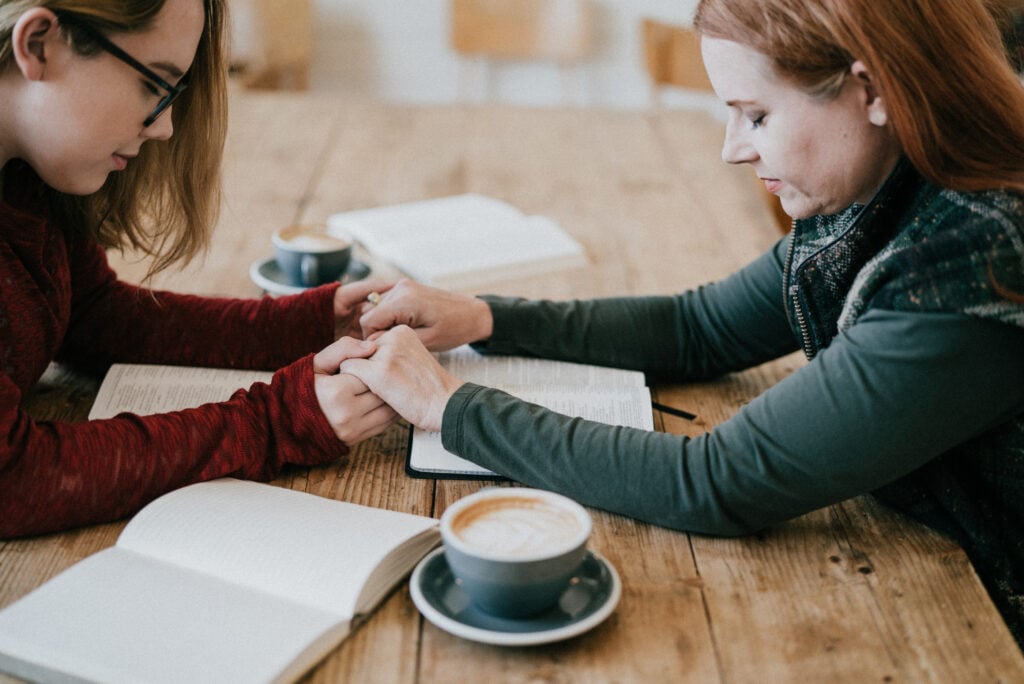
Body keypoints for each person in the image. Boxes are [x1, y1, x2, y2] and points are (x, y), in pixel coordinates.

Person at [339, 0, 1024, 644]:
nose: (731, 149)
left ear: (871, 91)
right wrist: (484, 317)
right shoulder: (888, 172)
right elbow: (700, 327)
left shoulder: (970, 261)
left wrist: (449, 406)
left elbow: (717, 482)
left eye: (755, 115)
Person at [0, 0, 396, 538]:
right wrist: (277, 422)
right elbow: (15, 479)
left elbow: (91, 314)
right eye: (153, 86)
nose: (164, 126)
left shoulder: (26, 178)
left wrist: (309, 324)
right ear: (38, 44)